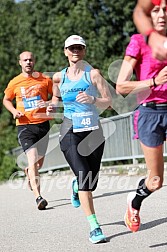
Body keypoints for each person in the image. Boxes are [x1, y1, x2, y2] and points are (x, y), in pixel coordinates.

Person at [47, 35, 111, 243]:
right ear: (65, 51)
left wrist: (94, 99)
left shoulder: (93, 74)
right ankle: (94, 226)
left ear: (84, 51)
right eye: (71, 47)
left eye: (79, 47)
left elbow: (108, 102)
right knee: (85, 176)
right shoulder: (59, 77)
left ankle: (76, 187)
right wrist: (52, 105)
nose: (75, 50)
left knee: (90, 182)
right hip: (70, 130)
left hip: (93, 131)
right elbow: (56, 98)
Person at [116, 1, 167, 233]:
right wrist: (154, 81)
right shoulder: (139, 41)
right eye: (156, 9)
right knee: (156, 181)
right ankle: (134, 202)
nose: (162, 14)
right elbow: (121, 86)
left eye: (166, 9)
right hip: (150, 112)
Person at [3, 51, 53, 210]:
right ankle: (39, 197)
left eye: (30, 59)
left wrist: (50, 104)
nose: (28, 62)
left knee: (38, 164)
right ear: (20, 63)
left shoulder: (45, 79)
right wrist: (13, 111)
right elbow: (6, 99)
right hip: (24, 125)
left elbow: (56, 96)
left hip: (43, 124)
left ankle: (29, 172)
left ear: (34, 61)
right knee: (32, 160)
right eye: (25, 60)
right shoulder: (15, 82)